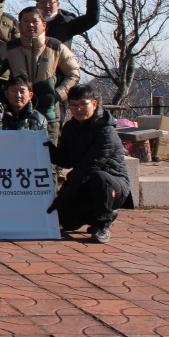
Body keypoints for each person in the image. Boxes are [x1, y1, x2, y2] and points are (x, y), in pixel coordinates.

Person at [46, 84, 133, 244]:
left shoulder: (106, 131)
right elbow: (66, 161)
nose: (78, 109)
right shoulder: (70, 128)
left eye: (83, 104)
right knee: (65, 222)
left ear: (94, 104)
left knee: (99, 177)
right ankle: (99, 214)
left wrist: (62, 196)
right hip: (85, 185)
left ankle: (102, 225)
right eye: (73, 105)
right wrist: (46, 148)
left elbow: (89, 167)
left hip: (113, 186)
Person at [0, 6, 79, 143]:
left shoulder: (55, 46)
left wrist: (58, 94)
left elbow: (73, 73)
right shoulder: (10, 48)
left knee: (49, 152)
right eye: (26, 21)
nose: (30, 25)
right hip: (18, 113)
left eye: (35, 21)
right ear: (19, 25)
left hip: (49, 111)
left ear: (44, 25)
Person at [37, 0, 101, 48]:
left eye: (51, 2)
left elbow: (92, 18)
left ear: (58, 5)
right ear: (37, 5)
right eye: (43, 2)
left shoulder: (67, 22)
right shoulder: (31, 22)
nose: (47, 5)